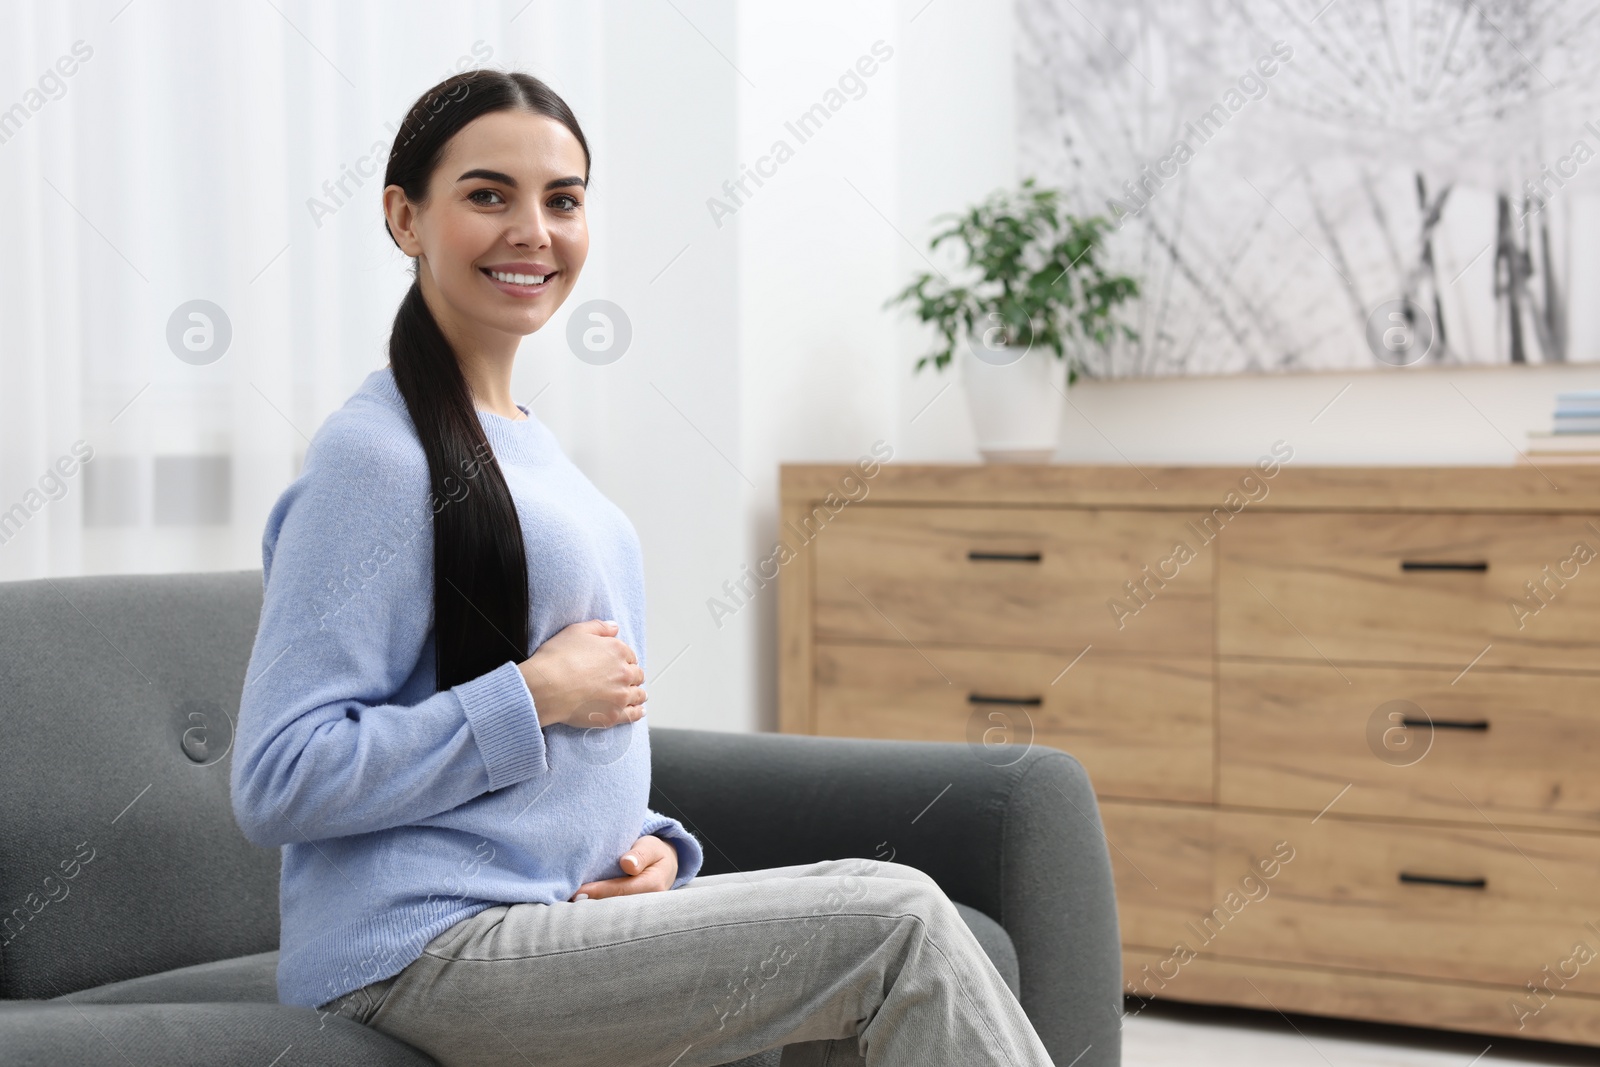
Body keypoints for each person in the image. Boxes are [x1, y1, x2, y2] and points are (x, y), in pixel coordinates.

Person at [229, 67, 1055, 1067]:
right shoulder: (375, 458)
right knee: (898, 922)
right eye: (488, 194)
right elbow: (277, 778)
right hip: (417, 952)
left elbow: (567, 759)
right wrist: (530, 694)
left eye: (563, 199)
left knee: (882, 942)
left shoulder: (527, 447)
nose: (533, 229)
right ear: (404, 217)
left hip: (540, 914)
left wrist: (657, 844)